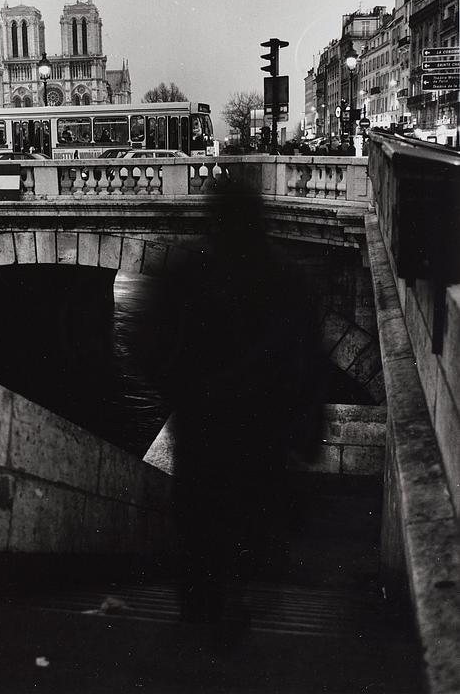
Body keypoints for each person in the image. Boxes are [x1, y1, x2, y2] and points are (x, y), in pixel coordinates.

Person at [137, 185, 325, 626]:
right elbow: (309, 361)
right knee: (252, 516)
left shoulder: (187, 268)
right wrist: (308, 427)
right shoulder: (287, 277)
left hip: (202, 425)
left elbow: (150, 342)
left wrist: (181, 393)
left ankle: (200, 608)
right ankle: (234, 597)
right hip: (263, 430)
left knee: (200, 520)